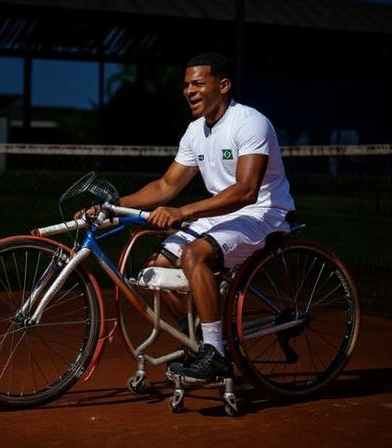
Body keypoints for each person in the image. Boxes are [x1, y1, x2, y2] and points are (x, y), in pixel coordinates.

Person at [93, 52, 295, 382]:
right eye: (186, 85)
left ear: (223, 85)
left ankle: (215, 354)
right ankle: (199, 334)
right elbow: (166, 185)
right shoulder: (195, 131)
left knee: (193, 255)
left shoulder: (250, 122)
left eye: (198, 84)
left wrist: (183, 211)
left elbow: (246, 191)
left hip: (263, 213)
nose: (189, 91)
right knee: (153, 269)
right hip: (220, 216)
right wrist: (112, 204)